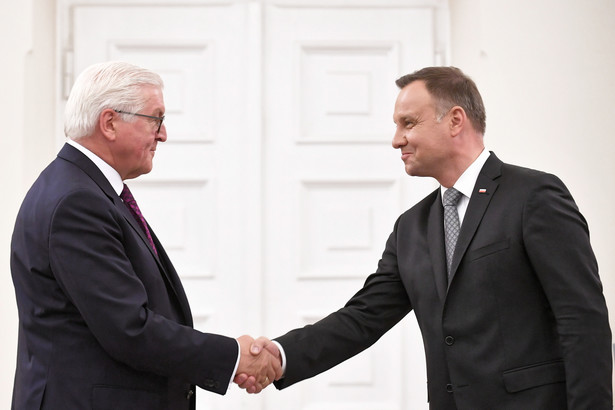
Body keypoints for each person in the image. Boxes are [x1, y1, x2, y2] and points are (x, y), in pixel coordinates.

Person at [238, 66, 613, 409]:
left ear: (454, 121)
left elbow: (582, 319)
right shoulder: (411, 228)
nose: (396, 140)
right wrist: (280, 355)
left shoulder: (533, 197)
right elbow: (362, 318)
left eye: (408, 123)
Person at [10, 61, 281, 410]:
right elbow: (128, 329)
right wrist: (233, 357)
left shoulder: (84, 190)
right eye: (156, 119)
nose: (163, 134)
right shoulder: (77, 202)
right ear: (109, 123)